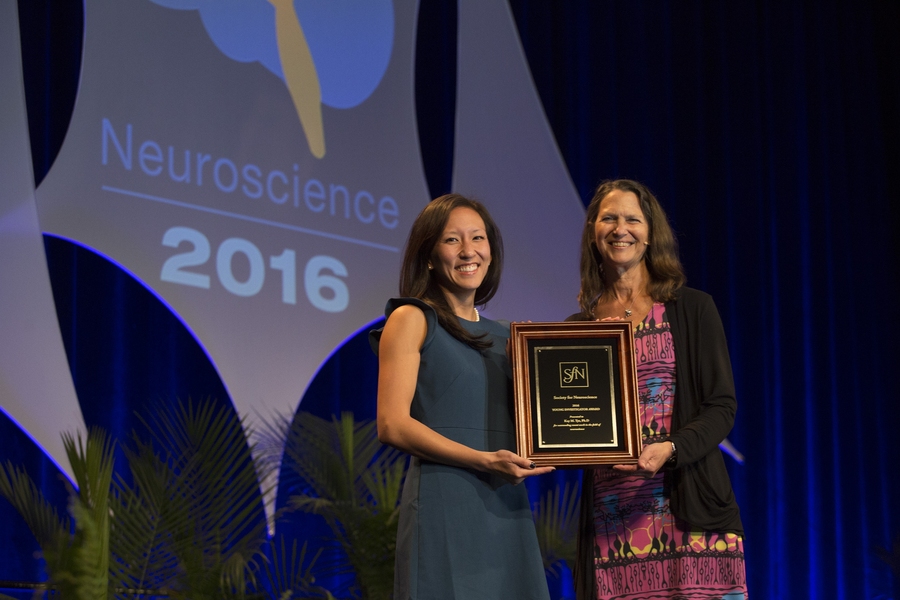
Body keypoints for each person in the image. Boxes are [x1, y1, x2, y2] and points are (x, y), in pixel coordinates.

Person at [568, 180, 747, 600]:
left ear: (651, 234)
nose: (620, 228)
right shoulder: (577, 330)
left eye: (632, 218)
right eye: (608, 218)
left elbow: (721, 407)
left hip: (692, 511)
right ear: (594, 231)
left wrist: (671, 448)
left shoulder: (693, 309)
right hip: (612, 523)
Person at [371, 193, 554, 600]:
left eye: (478, 238)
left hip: (507, 507)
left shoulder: (512, 336)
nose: (469, 251)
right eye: (452, 240)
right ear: (430, 255)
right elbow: (392, 424)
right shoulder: (412, 318)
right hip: (444, 503)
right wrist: (484, 460)